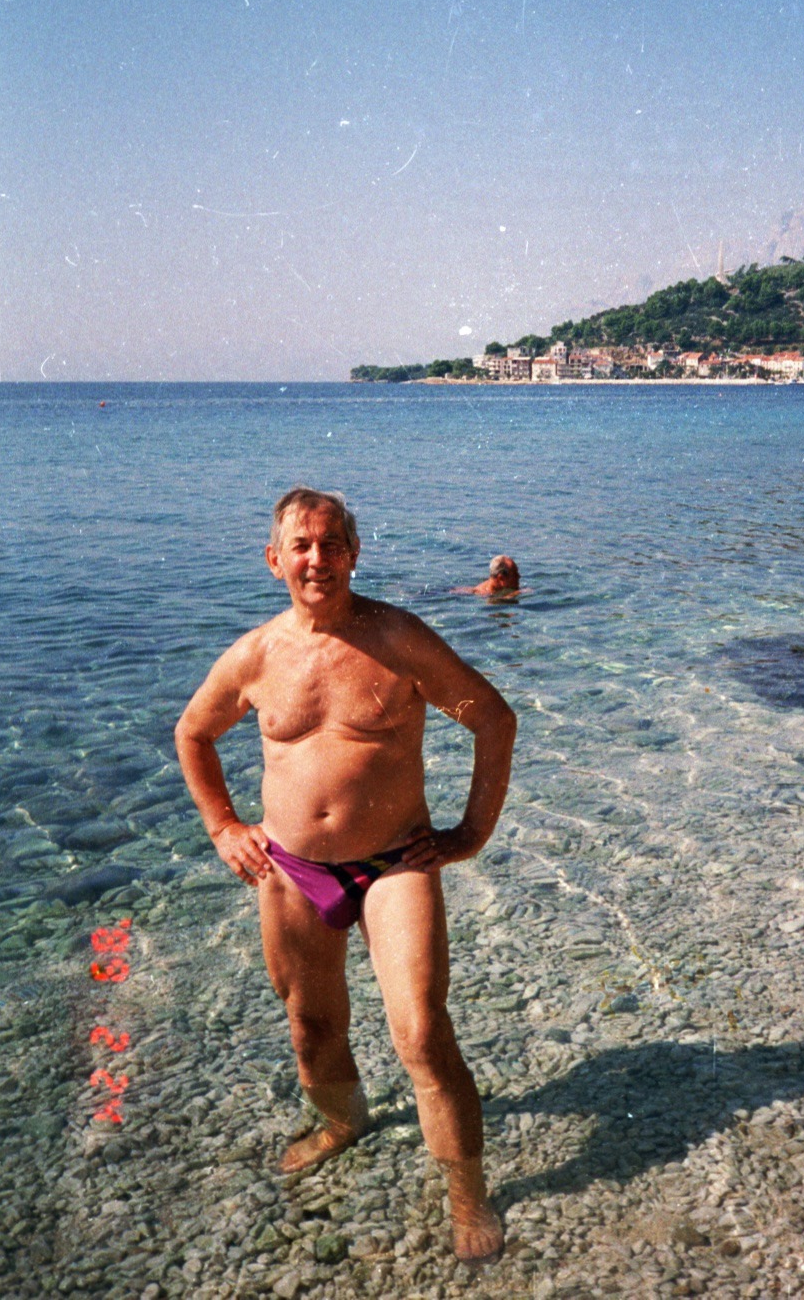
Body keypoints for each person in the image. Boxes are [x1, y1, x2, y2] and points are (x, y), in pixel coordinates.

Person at [174, 487, 516, 1263]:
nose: (316, 559)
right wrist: (224, 826)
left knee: (423, 1034)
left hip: (395, 862)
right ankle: (341, 1121)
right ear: (274, 560)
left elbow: (494, 718)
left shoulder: (398, 639)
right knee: (310, 1025)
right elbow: (193, 732)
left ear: (354, 553)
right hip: (291, 870)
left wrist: (469, 833)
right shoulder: (256, 654)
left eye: (331, 544)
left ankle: (468, 1196)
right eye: (300, 545)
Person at [454, 555, 521, 597]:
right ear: (501, 578)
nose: (519, 576)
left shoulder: (496, 589)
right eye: (515, 574)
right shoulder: (484, 594)